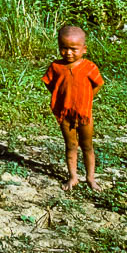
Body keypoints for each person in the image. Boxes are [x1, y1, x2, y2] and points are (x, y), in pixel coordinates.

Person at [42, 25, 104, 191]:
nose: (68, 53)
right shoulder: (56, 67)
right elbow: (50, 84)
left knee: (87, 146)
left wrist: (87, 98)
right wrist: (61, 97)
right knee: (70, 145)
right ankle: (73, 177)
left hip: (84, 114)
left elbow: (98, 84)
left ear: (84, 49)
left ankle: (90, 178)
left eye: (73, 49)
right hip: (65, 114)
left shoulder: (89, 67)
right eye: (64, 48)